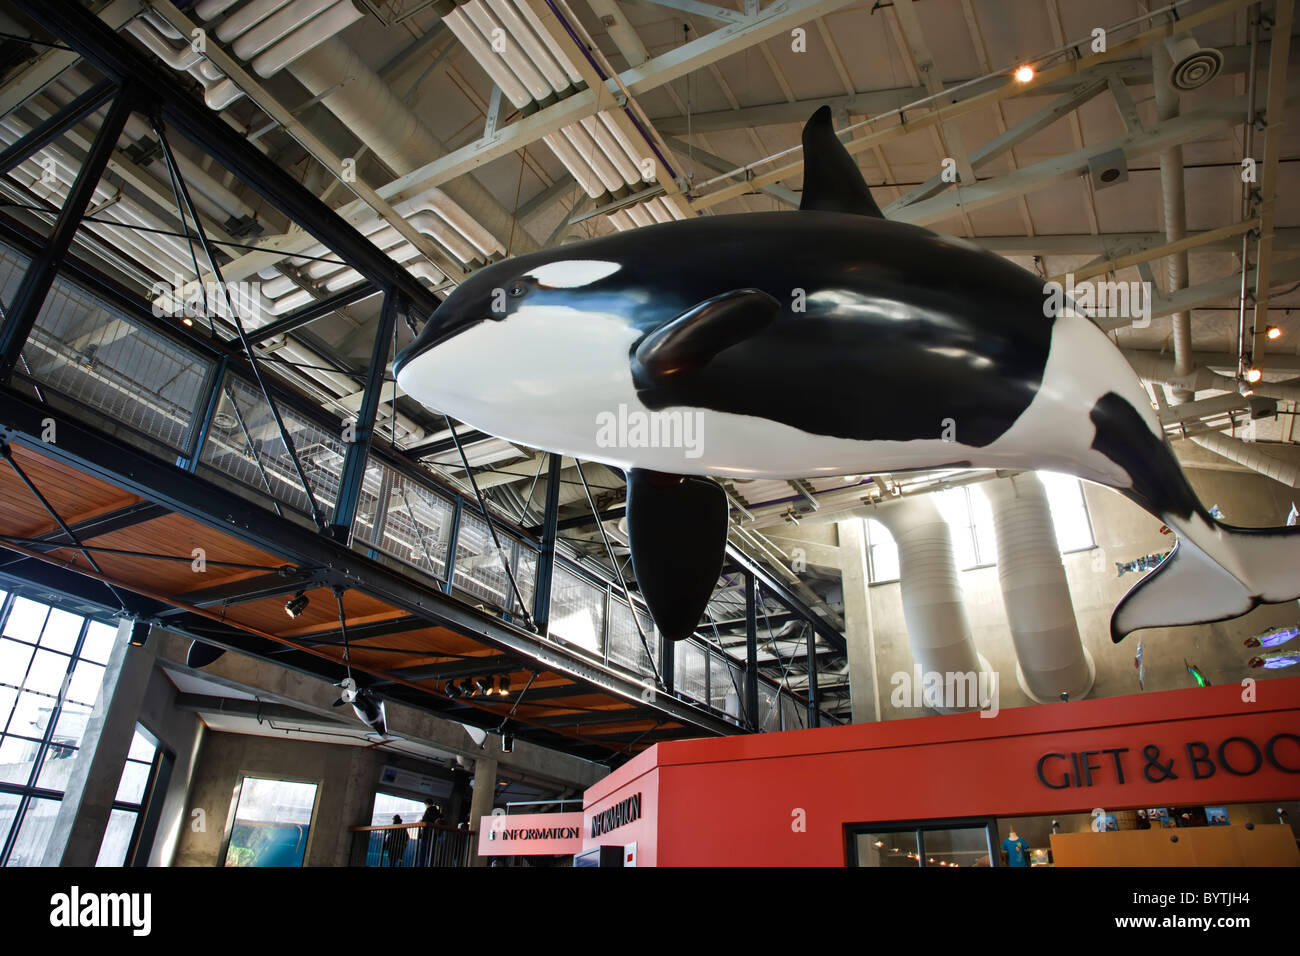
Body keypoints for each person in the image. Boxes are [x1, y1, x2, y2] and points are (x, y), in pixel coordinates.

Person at [418, 801, 440, 866]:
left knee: (423, 852)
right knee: (431, 852)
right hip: (433, 834)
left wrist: (421, 821)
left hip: (426, 833)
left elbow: (425, 820)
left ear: (427, 804)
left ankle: (421, 865)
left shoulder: (429, 810)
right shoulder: (437, 811)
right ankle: (430, 864)